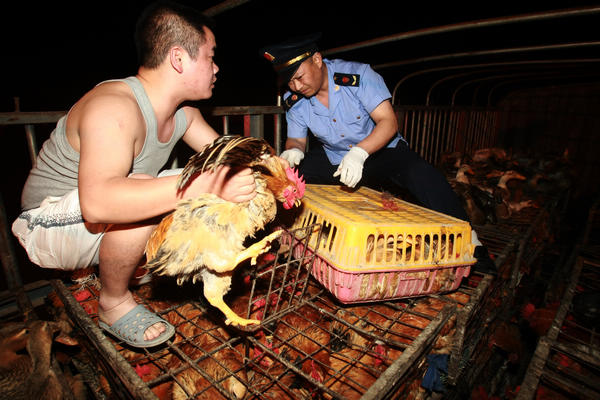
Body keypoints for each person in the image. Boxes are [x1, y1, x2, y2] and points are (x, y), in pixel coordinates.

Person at [12, 1, 257, 348]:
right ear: (178, 58)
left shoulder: (184, 114)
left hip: (87, 219)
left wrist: (270, 172)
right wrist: (203, 185)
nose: (216, 68)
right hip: (43, 222)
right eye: (210, 56)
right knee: (154, 186)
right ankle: (112, 302)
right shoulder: (114, 106)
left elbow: (226, 158)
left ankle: (124, 264)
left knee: (189, 178)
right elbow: (98, 204)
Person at [260, 33, 496, 274]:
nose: (296, 86)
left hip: (380, 151)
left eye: (299, 77)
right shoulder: (294, 98)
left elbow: (388, 122)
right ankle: (279, 239)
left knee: (423, 174)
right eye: (289, 82)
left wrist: (360, 153)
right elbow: (297, 138)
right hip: (336, 158)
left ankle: (472, 243)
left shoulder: (358, 76)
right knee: (289, 179)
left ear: (317, 59)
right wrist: (292, 152)